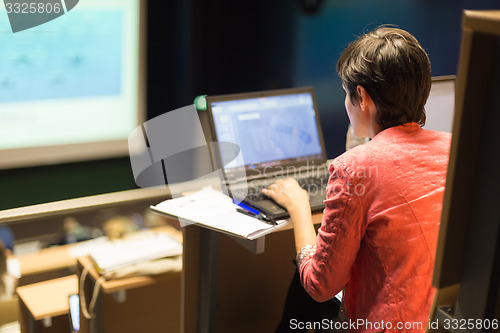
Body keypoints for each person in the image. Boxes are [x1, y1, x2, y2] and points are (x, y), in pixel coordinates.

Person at [263, 27, 451, 332]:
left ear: (361, 97)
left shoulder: (354, 168)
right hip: (442, 320)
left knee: (301, 285)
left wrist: (298, 206)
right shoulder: (456, 147)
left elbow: (320, 285)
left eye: (345, 93)